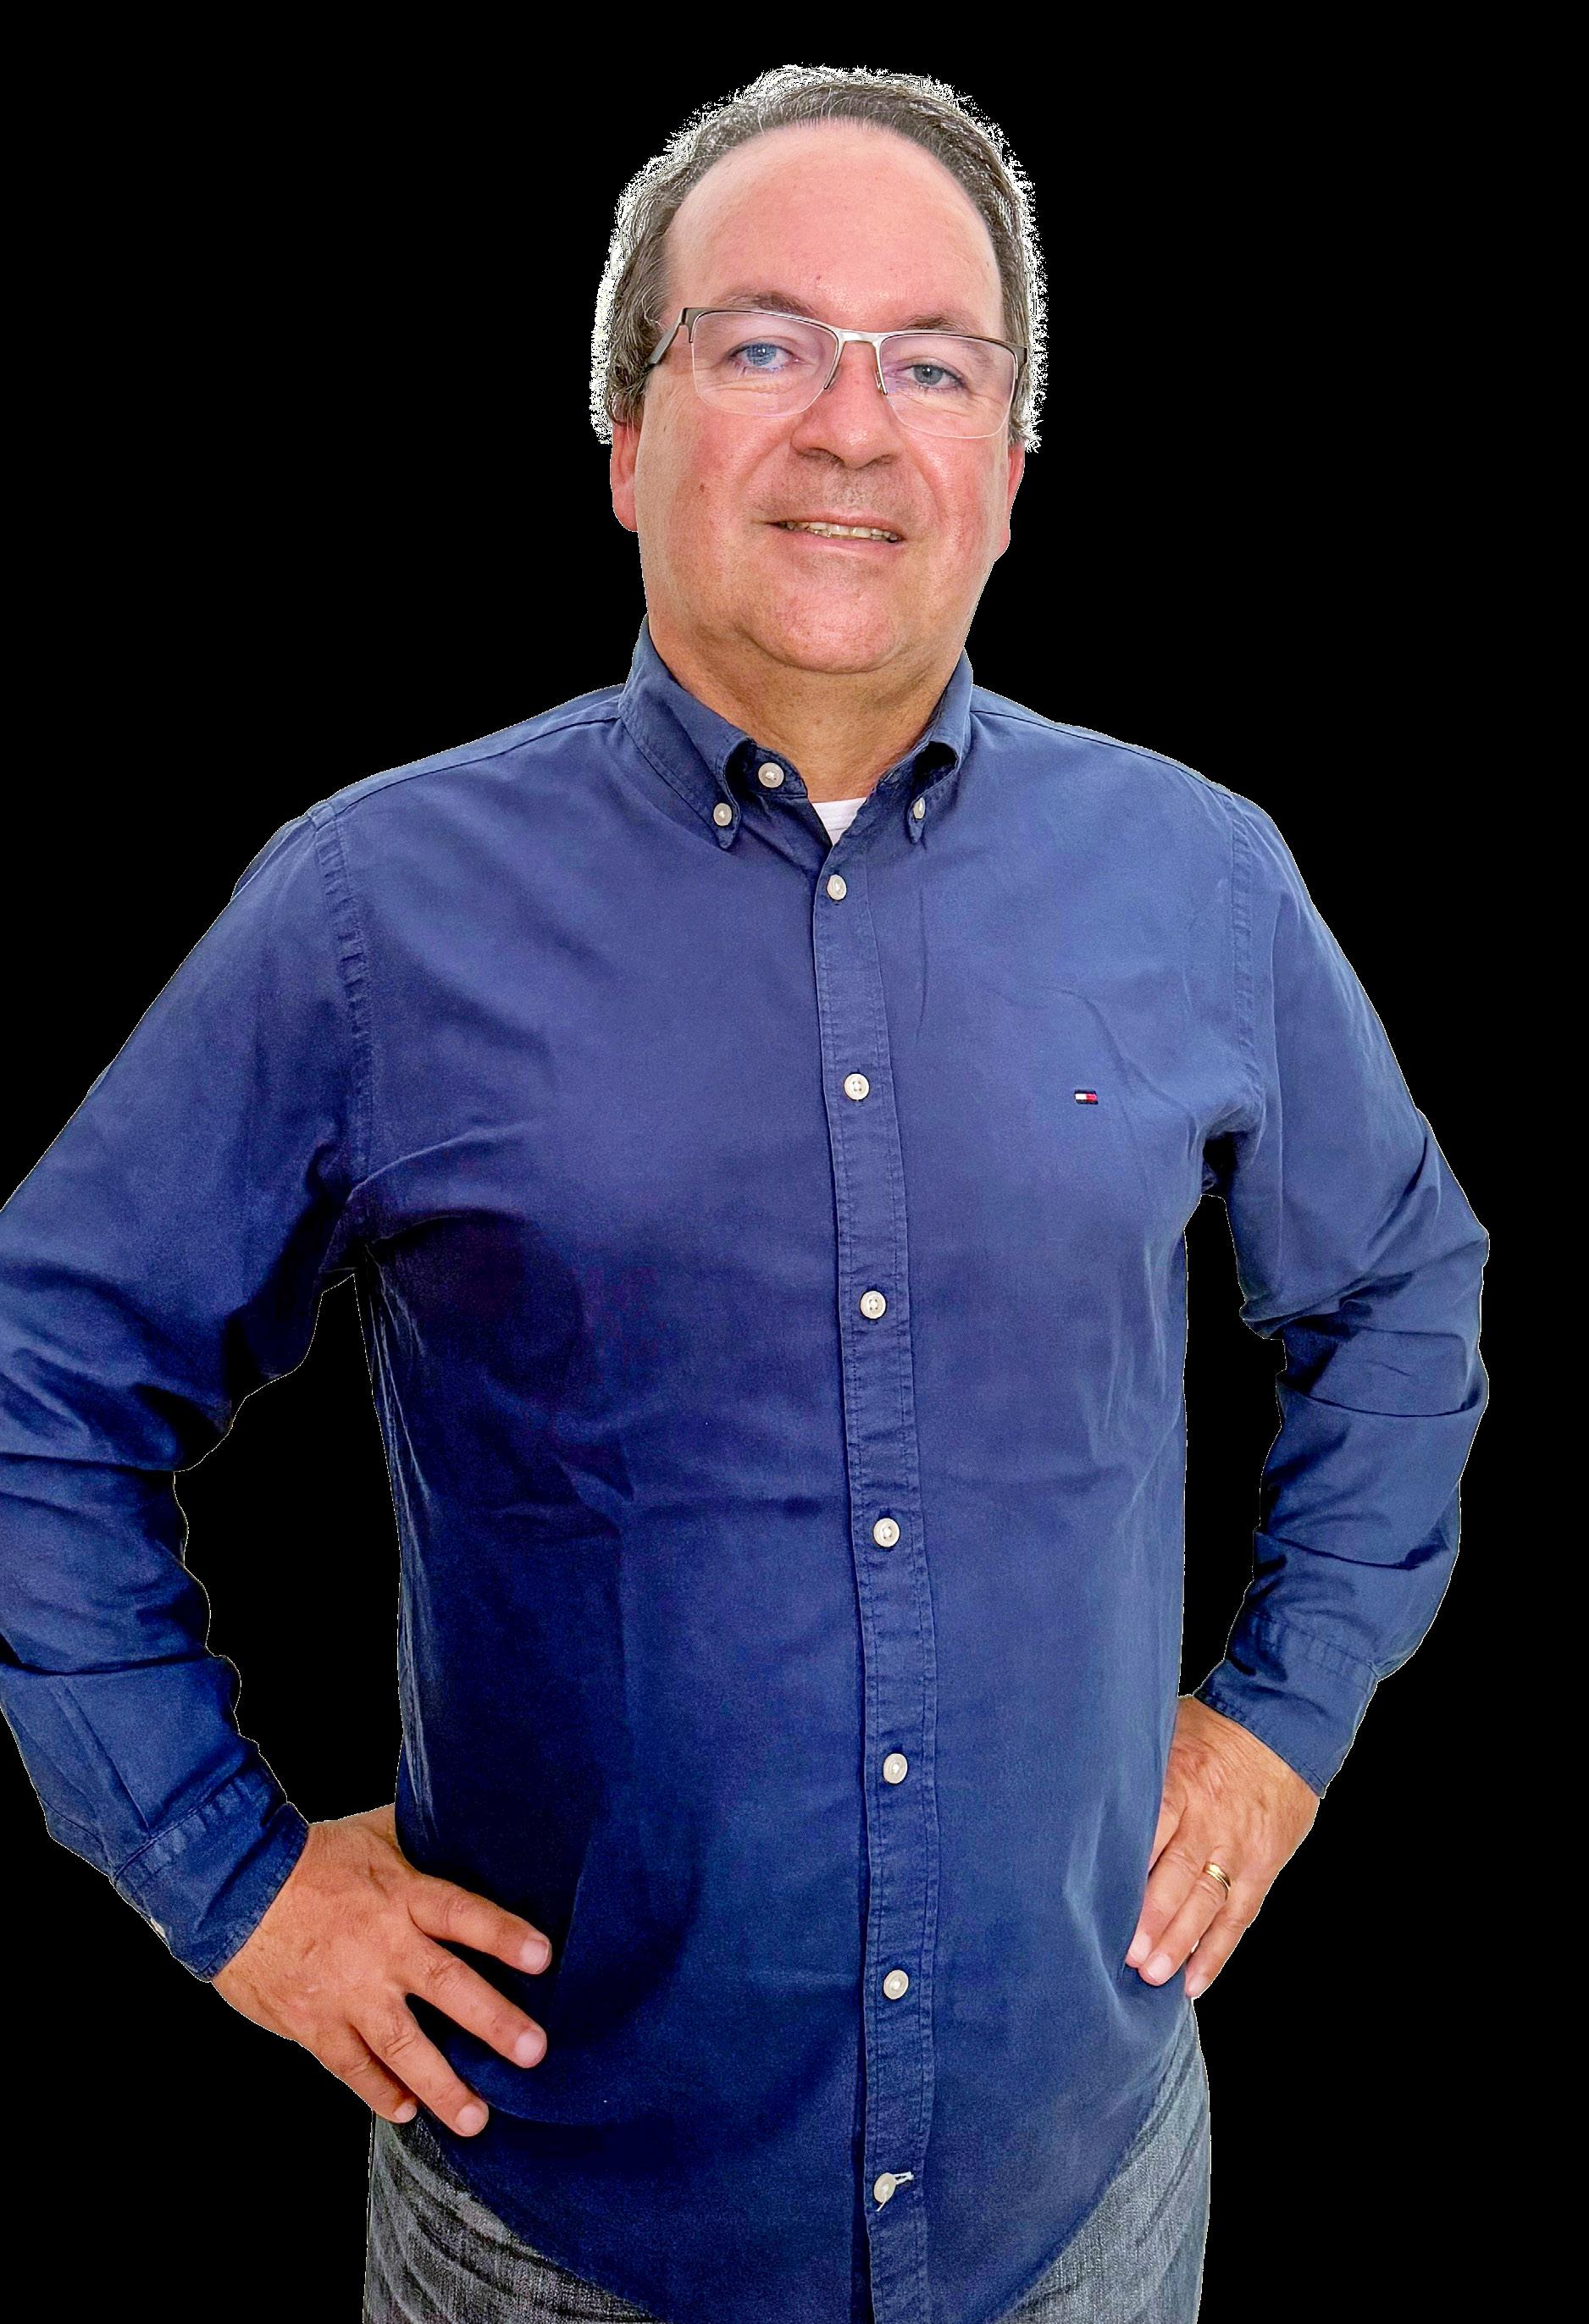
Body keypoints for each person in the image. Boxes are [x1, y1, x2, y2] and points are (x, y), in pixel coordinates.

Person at [0, 62, 1488, 2324]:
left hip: (1080, 2200)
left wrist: (1284, 1720)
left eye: (934, 365)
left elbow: (1397, 1291)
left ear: (1009, 468)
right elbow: (34, 1380)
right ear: (627, 437)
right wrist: (229, 1879)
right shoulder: (370, 915)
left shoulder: (1199, 878)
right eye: (765, 343)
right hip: (558, 2225)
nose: (851, 426)